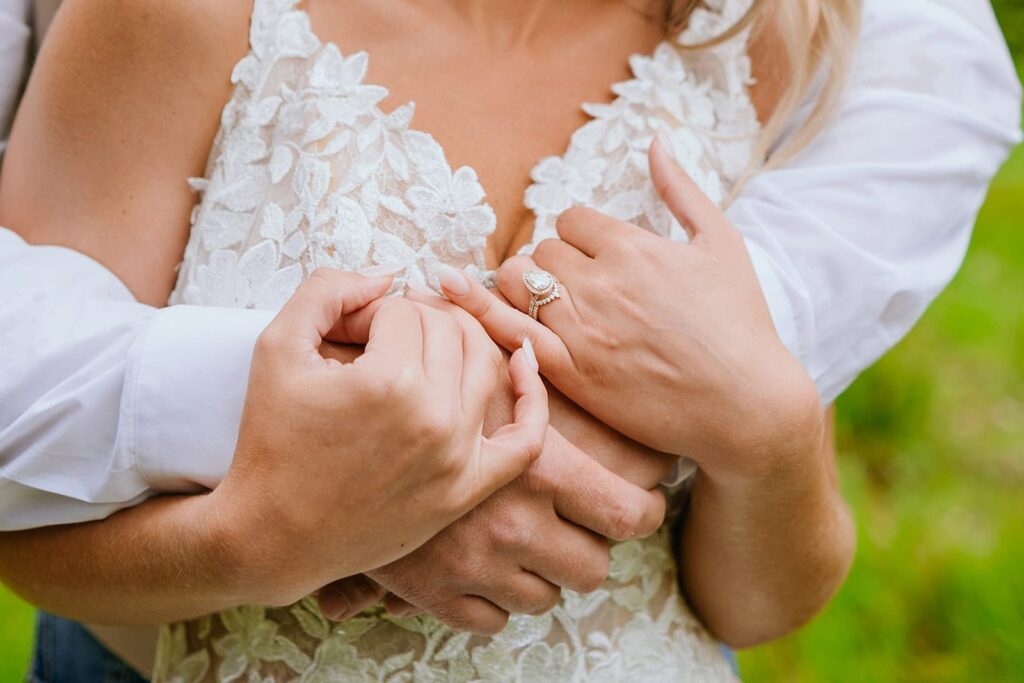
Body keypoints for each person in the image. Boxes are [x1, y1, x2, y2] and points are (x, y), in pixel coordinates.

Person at [0, 0, 1019, 680]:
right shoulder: (174, 17)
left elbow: (756, 605)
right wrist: (276, 537)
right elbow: (25, 510)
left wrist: (772, 431)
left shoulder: (740, 44)